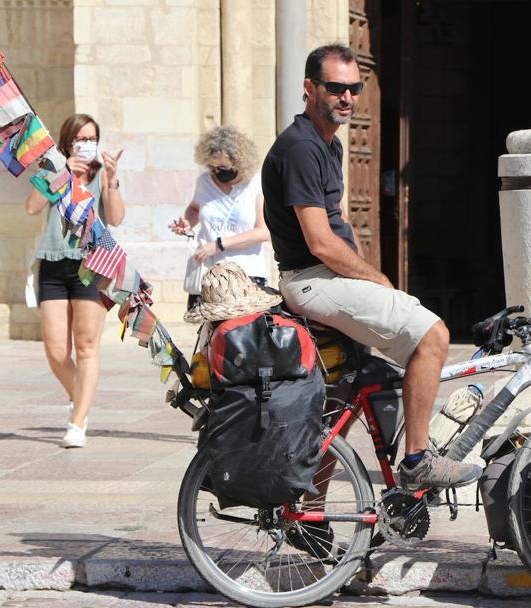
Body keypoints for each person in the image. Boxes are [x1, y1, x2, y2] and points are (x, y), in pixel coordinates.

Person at [262, 44, 481, 492]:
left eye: (354, 88)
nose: (346, 97)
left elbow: (339, 223)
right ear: (310, 88)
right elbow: (320, 242)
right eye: (335, 87)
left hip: (327, 278)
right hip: (312, 280)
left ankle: (308, 511)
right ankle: (418, 460)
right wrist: (376, 278)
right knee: (433, 335)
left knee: (346, 399)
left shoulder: (329, 144)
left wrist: (364, 269)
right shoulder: (301, 148)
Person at [24, 113, 125, 448]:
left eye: (92, 138)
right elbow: (32, 207)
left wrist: (111, 179)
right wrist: (64, 172)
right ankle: (80, 396)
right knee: (55, 350)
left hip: (91, 264)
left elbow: (116, 218)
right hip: (53, 263)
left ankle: (78, 421)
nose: (87, 144)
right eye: (80, 138)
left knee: (86, 345)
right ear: (67, 141)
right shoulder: (51, 168)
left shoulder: (100, 175)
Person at [170, 126, 270, 310]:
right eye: (212, 167)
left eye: (222, 167)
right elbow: (194, 208)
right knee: (211, 336)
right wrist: (187, 223)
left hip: (246, 275)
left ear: (239, 161)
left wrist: (218, 245)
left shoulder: (256, 184)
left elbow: (263, 232)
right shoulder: (204, 182)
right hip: (209, 277)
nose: (217, 172)